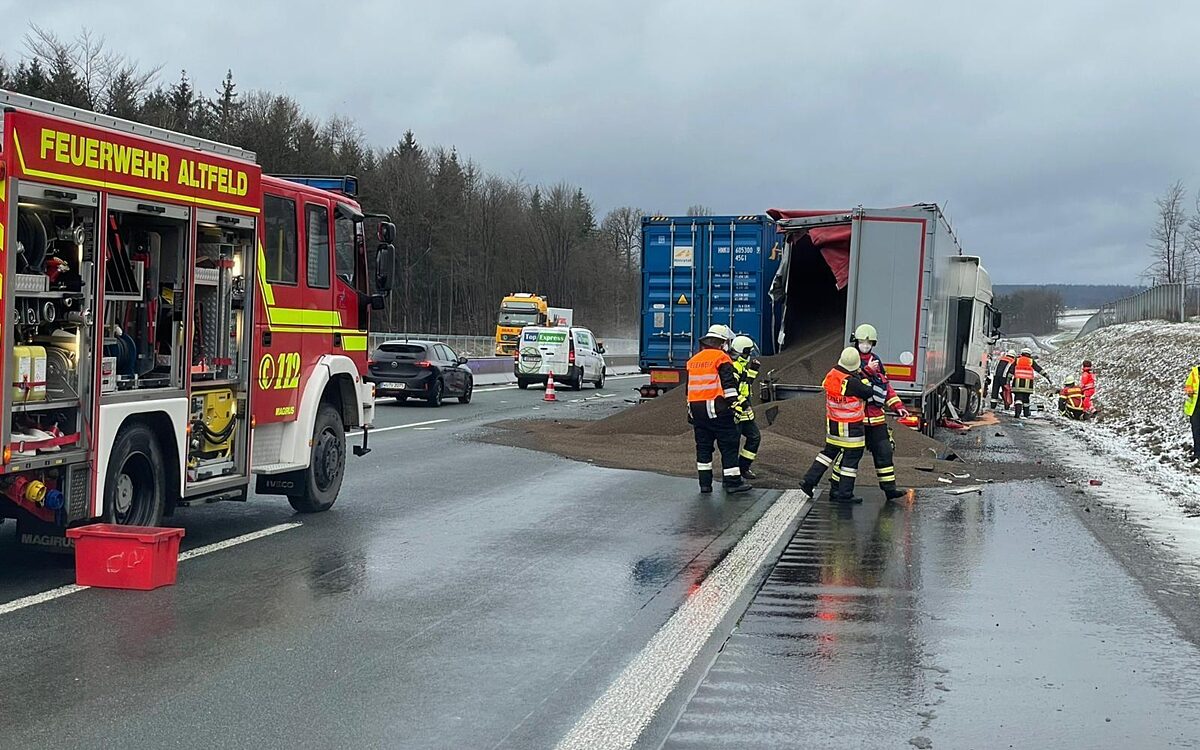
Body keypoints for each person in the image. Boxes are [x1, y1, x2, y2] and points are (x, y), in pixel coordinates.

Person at [829, 324, 909, 500]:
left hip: (876, 418)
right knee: (848, 456)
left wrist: (898, 406)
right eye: (862, 341)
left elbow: (884, 386)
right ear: (855, 342)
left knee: (884, 451)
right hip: (856, 420)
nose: (865, 345)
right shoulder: (849, 359)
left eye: (869, 342)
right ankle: (836, 488)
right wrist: (866, 371)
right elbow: (849, 383)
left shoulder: (877, 361)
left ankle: (889, 489)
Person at [800, 347, 876, 504]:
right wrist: (867, 374)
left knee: (827, 454)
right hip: (851, 428)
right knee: (851, 459)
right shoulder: (852, 382)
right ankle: (844, 493)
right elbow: (868, 391)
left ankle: (809, 481)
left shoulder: (832, 375)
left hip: (834, 425)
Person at [687, 325, 751, 494]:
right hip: (718, 409)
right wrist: (736, 407)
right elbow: (729, 387)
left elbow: (689, 389)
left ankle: (705, 484)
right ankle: (732, 482)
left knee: (703, 447)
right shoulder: (722, 359)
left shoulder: (693, 361)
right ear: (722, 343)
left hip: (697, 411)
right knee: (729, 445)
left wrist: (690, 411)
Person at [730, 335, 762, 480]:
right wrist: (745, 404)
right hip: (735, 411)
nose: (750, 355)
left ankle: (744, 467)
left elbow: (746, 383)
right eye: (748, 352)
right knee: (733, 443)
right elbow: (732, 390)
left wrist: (754, 370)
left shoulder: (741, 366)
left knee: (754, 437)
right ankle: (733, 473)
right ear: (743, 352)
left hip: (744, 413)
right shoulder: (733, 367)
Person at [1011, 347, 1050, 418]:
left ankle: (1017, 413)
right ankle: (1026, 414)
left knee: (1018, 398)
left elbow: (1011, 370)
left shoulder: (1017, 360)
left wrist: (1008, 379)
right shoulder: (1031, 361)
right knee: (1026, 399)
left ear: (1022, 353)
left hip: (1018, 382)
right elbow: (1038, 369)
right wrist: (1046, 375)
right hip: (1028, 384)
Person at [1186, 364, 1200, 461]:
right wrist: (1189, 391)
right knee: (1196, 432)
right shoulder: (1194, 372)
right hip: (1195, 409)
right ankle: (1197, 454)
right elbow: (1188, 385)